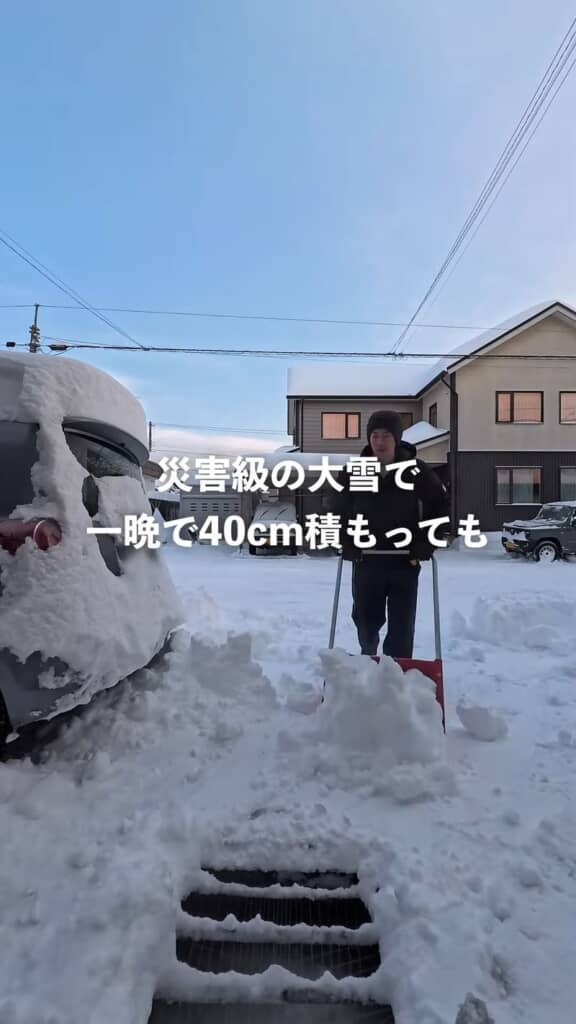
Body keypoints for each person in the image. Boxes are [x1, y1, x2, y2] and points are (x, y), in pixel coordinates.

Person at [329, 410, 450, 659]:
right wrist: (345, 541)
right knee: (365, 618)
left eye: (386, 435)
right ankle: (368, 655)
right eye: (375, 436)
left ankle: (398, 667)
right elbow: (336, 510)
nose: (380, 442)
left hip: (405, 560)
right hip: (367, 559)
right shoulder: (354, 472)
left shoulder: (416, 472)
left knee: (402, 623)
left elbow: (441, 508)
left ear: (396, 438)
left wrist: (427, 542)